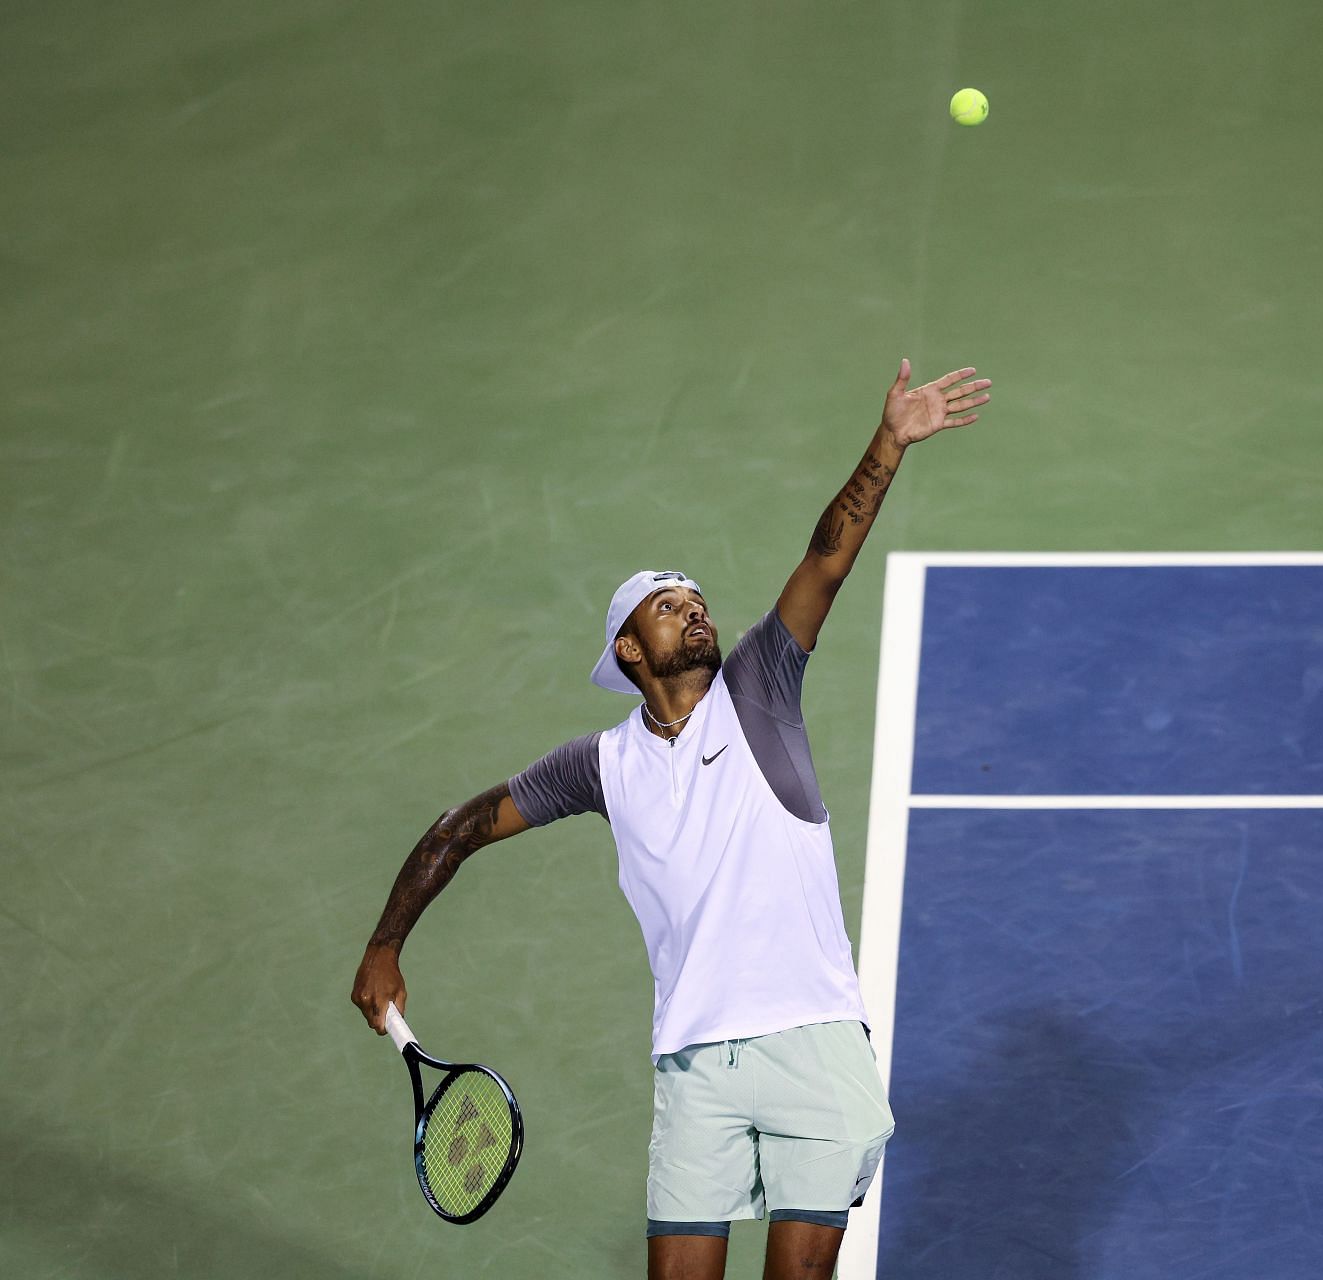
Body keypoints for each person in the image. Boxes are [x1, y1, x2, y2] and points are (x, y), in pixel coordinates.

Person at [351, 359, 989, 1280]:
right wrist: (384, 945)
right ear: (628, 648)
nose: (691, 609)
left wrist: (889, 441)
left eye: (694, 599)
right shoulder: (598, 767)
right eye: (666, 604)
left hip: (811, 1037)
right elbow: (459, 826)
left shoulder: (760, 685)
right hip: (695, 1064)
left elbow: (827, 557)